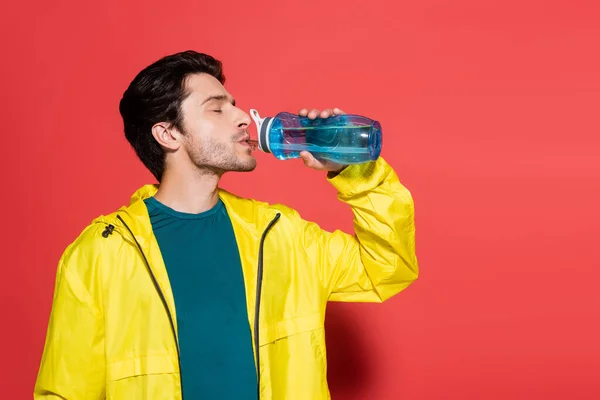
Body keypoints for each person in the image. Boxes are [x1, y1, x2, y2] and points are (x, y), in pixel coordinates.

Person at [34, 50, 419, 400]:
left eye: (234, 106)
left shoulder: (281, 234)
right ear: (168, 133)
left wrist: (351, 170)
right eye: (216, 109)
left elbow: (384, 267)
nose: (241, 117)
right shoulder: (100, 254)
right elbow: (64, 393)